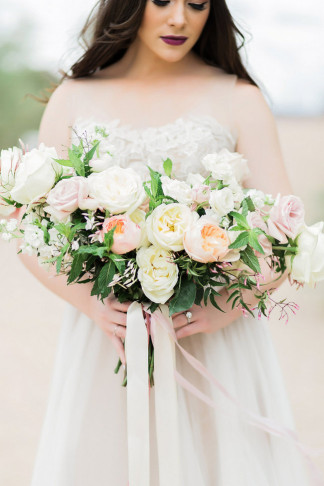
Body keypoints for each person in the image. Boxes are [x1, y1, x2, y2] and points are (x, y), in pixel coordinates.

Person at [20, 1, 313, 485]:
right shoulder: (73, 97)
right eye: (162, 1)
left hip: (213, 341)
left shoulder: (240, 98)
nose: (180, 19)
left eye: (197, 4)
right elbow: (29, 229)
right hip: (108, 338)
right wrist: (93, 306)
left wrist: (226, 309)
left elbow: (286, 232)